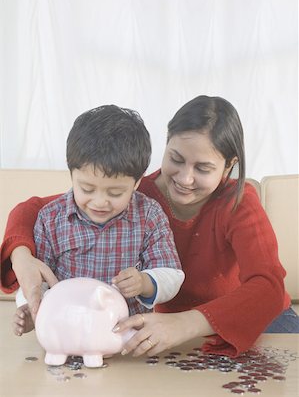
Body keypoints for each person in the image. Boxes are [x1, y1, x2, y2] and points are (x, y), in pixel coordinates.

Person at [1, 96, 298, 357]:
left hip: (255, 321)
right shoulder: (131, 192)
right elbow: (35, 209)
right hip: (169, 333)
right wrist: (22, 257)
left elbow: (268, 288)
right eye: (176, 159)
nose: (184, 178)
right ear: (166, 143)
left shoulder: (239, 202)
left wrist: (186, 322)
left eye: (203, 168)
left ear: (229, 165)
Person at [10, 104, 184, 335]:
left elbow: (172, 274)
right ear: (71, 173)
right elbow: (37, 277)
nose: (100, 202)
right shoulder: (51, 218)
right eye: (87, 189)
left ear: (138, 181)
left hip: (124, 336)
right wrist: (32, 306)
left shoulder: (149, 215)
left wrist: (144, 282)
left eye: (115, 193)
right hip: (66, 331)